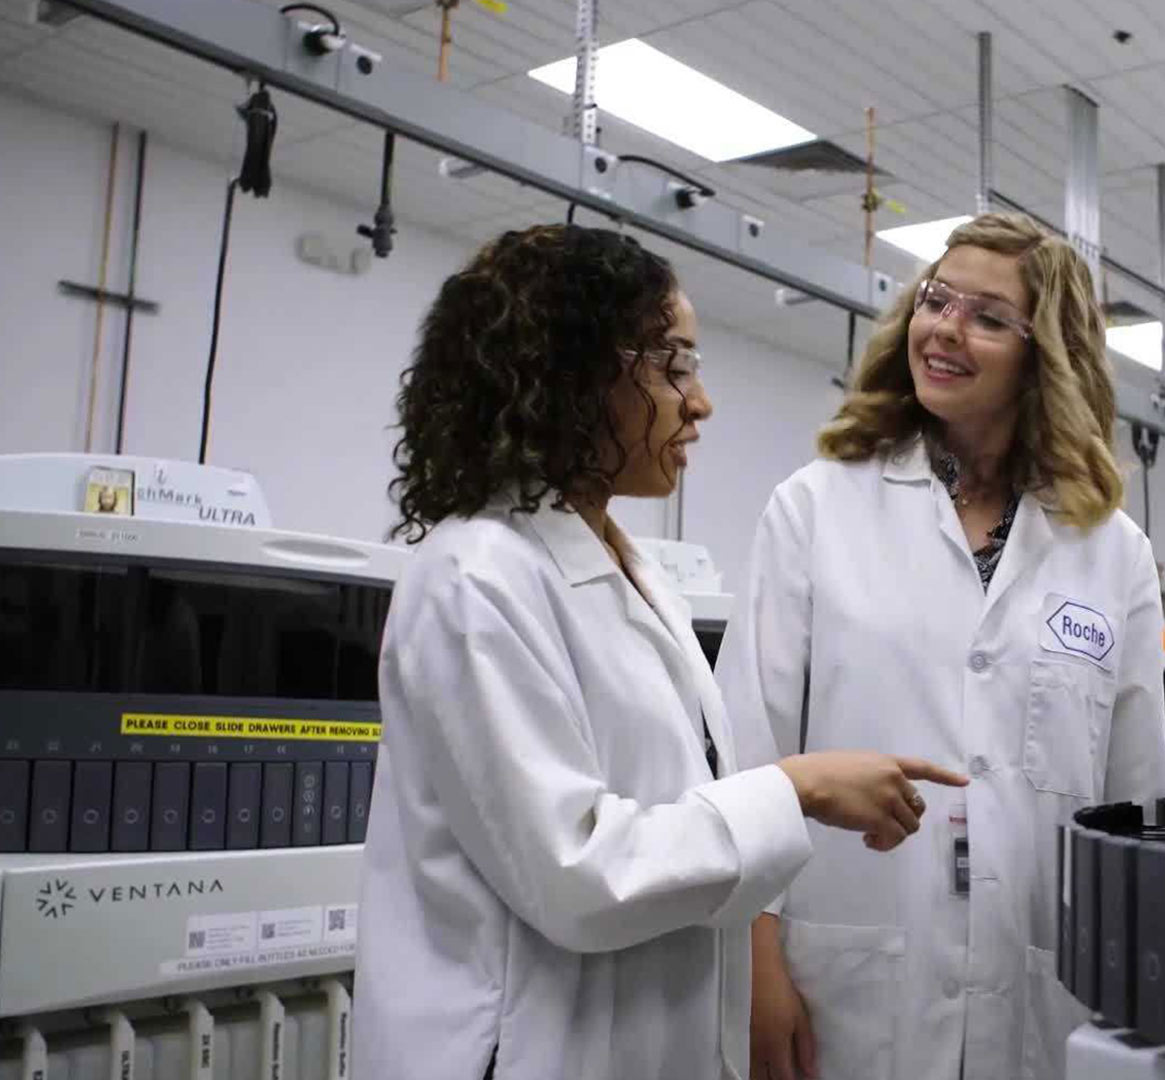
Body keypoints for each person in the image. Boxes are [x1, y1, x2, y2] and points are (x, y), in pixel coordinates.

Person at [352, 225, 966, 1080]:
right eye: (672, 365)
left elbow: (675, 812)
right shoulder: (474, 577)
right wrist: (797, 788)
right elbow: (577, 873)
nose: (699, 401)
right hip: (519, 1053)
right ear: (573, 373)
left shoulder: (634, 574)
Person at [718, 213, 1165, 1080]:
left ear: (1048, 355)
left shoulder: (1112, 552)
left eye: (989, 317)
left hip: (1045, 993)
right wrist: (754, 965)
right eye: (937, 299)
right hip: (848, 987)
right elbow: (749, 753)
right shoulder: (816, 509)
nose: (946, 329)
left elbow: (1134, 803)